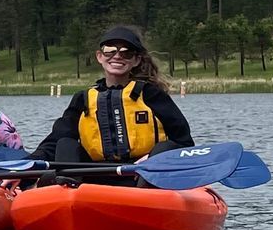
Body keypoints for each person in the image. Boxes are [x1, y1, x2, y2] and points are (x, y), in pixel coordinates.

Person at [32, 25, 193, 163]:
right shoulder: (83, 99)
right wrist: (26, 164)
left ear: (136, 60)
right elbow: (54, 141)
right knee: (65, 144)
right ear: (99, 56)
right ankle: (64, 191)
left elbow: (184, 142)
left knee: (166, 147)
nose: (117, 56)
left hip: (142, 173)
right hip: (94, 176)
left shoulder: (151, 95)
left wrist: (153, 157)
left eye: (126, 52)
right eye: (110, 51)